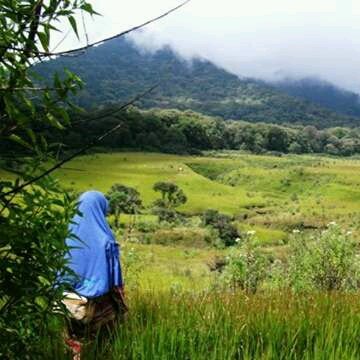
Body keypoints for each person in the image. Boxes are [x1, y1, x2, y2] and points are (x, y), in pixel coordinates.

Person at [62, 191, 127, 358]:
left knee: (74, 341)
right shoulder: (105, 240)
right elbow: (115, 280)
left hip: (68, 302)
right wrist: (122, 305)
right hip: (96, 304)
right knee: (100, 346)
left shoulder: (67, 237)